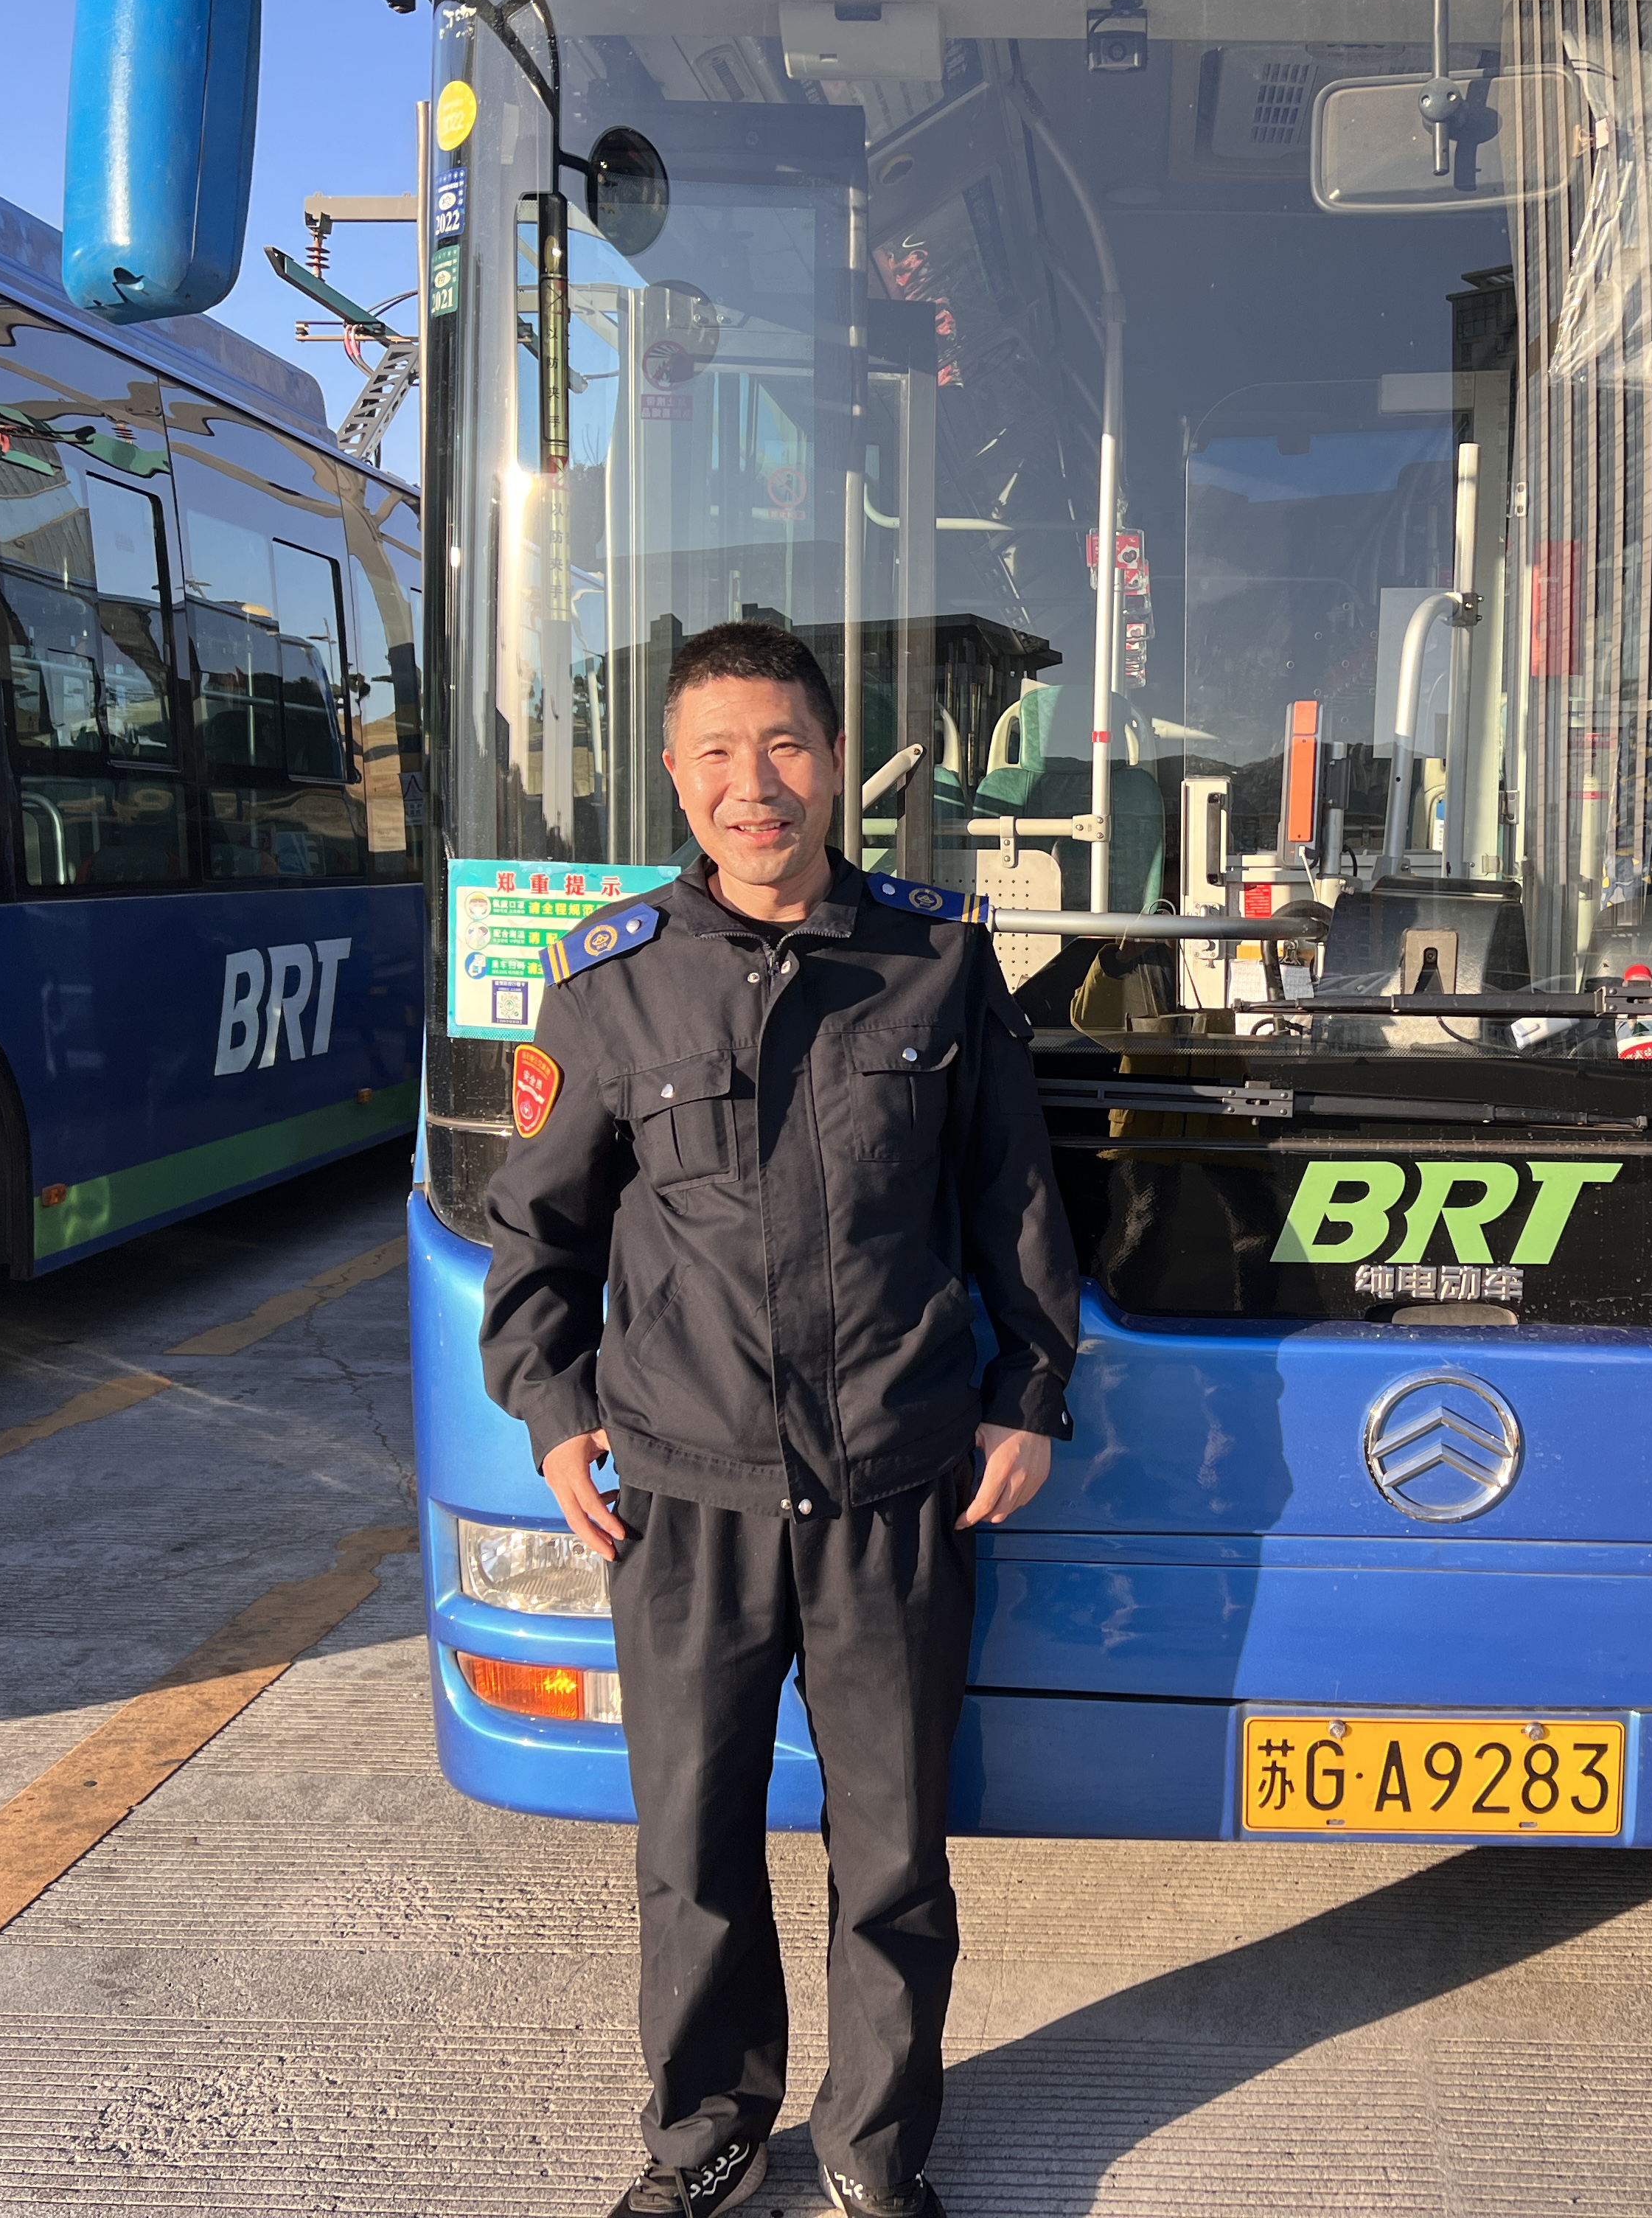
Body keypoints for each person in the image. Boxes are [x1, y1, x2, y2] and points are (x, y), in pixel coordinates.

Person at [478, 620, 1081, 2218]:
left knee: (893, 1857)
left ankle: (877, 2157)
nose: (756, 786)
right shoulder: (609, 983)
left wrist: (1029, 1394)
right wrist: (554, 1411)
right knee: (691, 1849)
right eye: (718, 756)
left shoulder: (937, 961)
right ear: (677, 781)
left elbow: (1014, 1202)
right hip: (685, 1497)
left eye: (786, 747)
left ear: (837, 763)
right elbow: (539, 1230)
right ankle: (709, 2142)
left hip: (898, 1483)